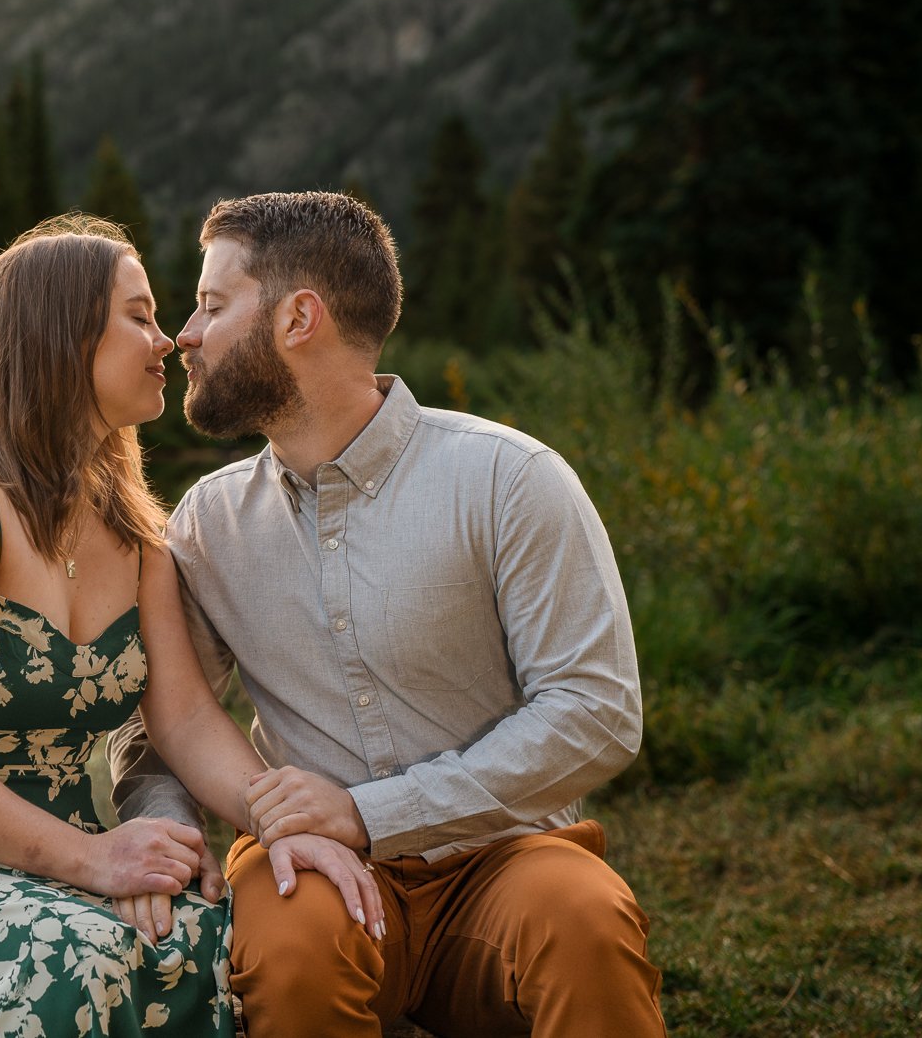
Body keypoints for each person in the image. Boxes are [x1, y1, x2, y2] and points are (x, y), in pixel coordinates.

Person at [0, 214, 381, 1038]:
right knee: (80, 958)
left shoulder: (137, 535)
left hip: (63, 856)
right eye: (139, 315)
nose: (169, 341)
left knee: (221, 951)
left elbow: (187, 717)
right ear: (58, 335)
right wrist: (94, 858)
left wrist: (281, 824)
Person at [108, 192, 667, 1037]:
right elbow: (157, 723)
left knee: (585, 922)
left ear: (300, 318)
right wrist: (167, 836)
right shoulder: (206, 525)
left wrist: (373, 813)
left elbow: (597, 712)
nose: (186, 332)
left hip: (505, 856)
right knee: (292, 952)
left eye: (213, 305)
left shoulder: (509, 480)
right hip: (305, 869)